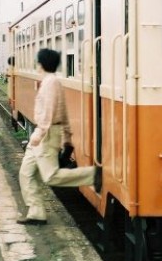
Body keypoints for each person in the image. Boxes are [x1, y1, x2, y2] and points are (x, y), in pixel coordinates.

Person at [18, 48, 101, 225]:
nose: (37, 64)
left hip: (45, 134)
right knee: (26, 173)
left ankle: (92, 175)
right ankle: (36, 213)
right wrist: (68, 137)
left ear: (42, 64)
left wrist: (39, 134)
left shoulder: (50, 83)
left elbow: (49, 113)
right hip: (42, 133)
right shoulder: (51, 81)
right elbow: (63, 111)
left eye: (38, 61)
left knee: (50, 176)